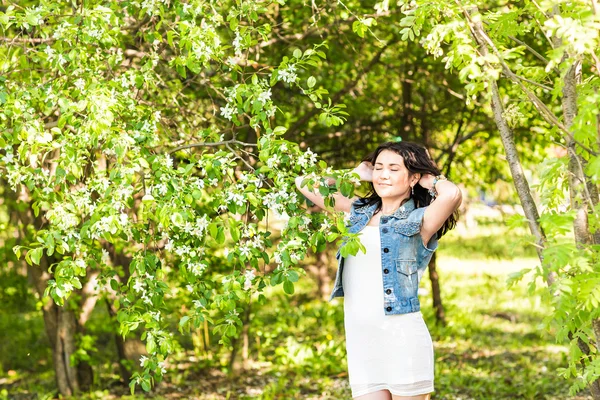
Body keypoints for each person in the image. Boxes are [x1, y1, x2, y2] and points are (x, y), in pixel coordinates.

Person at [295, 141, 462, 400]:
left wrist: (430, 180)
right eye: (379, 168)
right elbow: (304, 183)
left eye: (394, 169)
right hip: (362, 341)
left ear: (412, 178)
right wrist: (354, 174)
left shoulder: (420, 220)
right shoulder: (357, 212)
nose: (383, 174)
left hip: (402, 340)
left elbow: (451, 195)